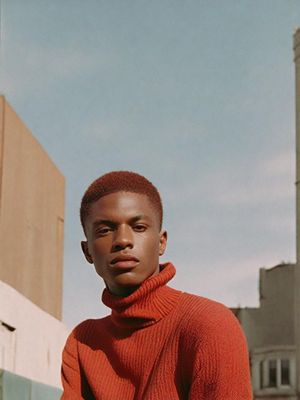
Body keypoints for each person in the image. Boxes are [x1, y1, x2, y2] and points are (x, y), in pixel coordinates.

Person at [61, 171, 252, 399]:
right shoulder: (83, 341)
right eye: (105, 230)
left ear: (161, 243)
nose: (123, 240)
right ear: (87, 251)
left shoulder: (209, 325)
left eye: (139, 227)